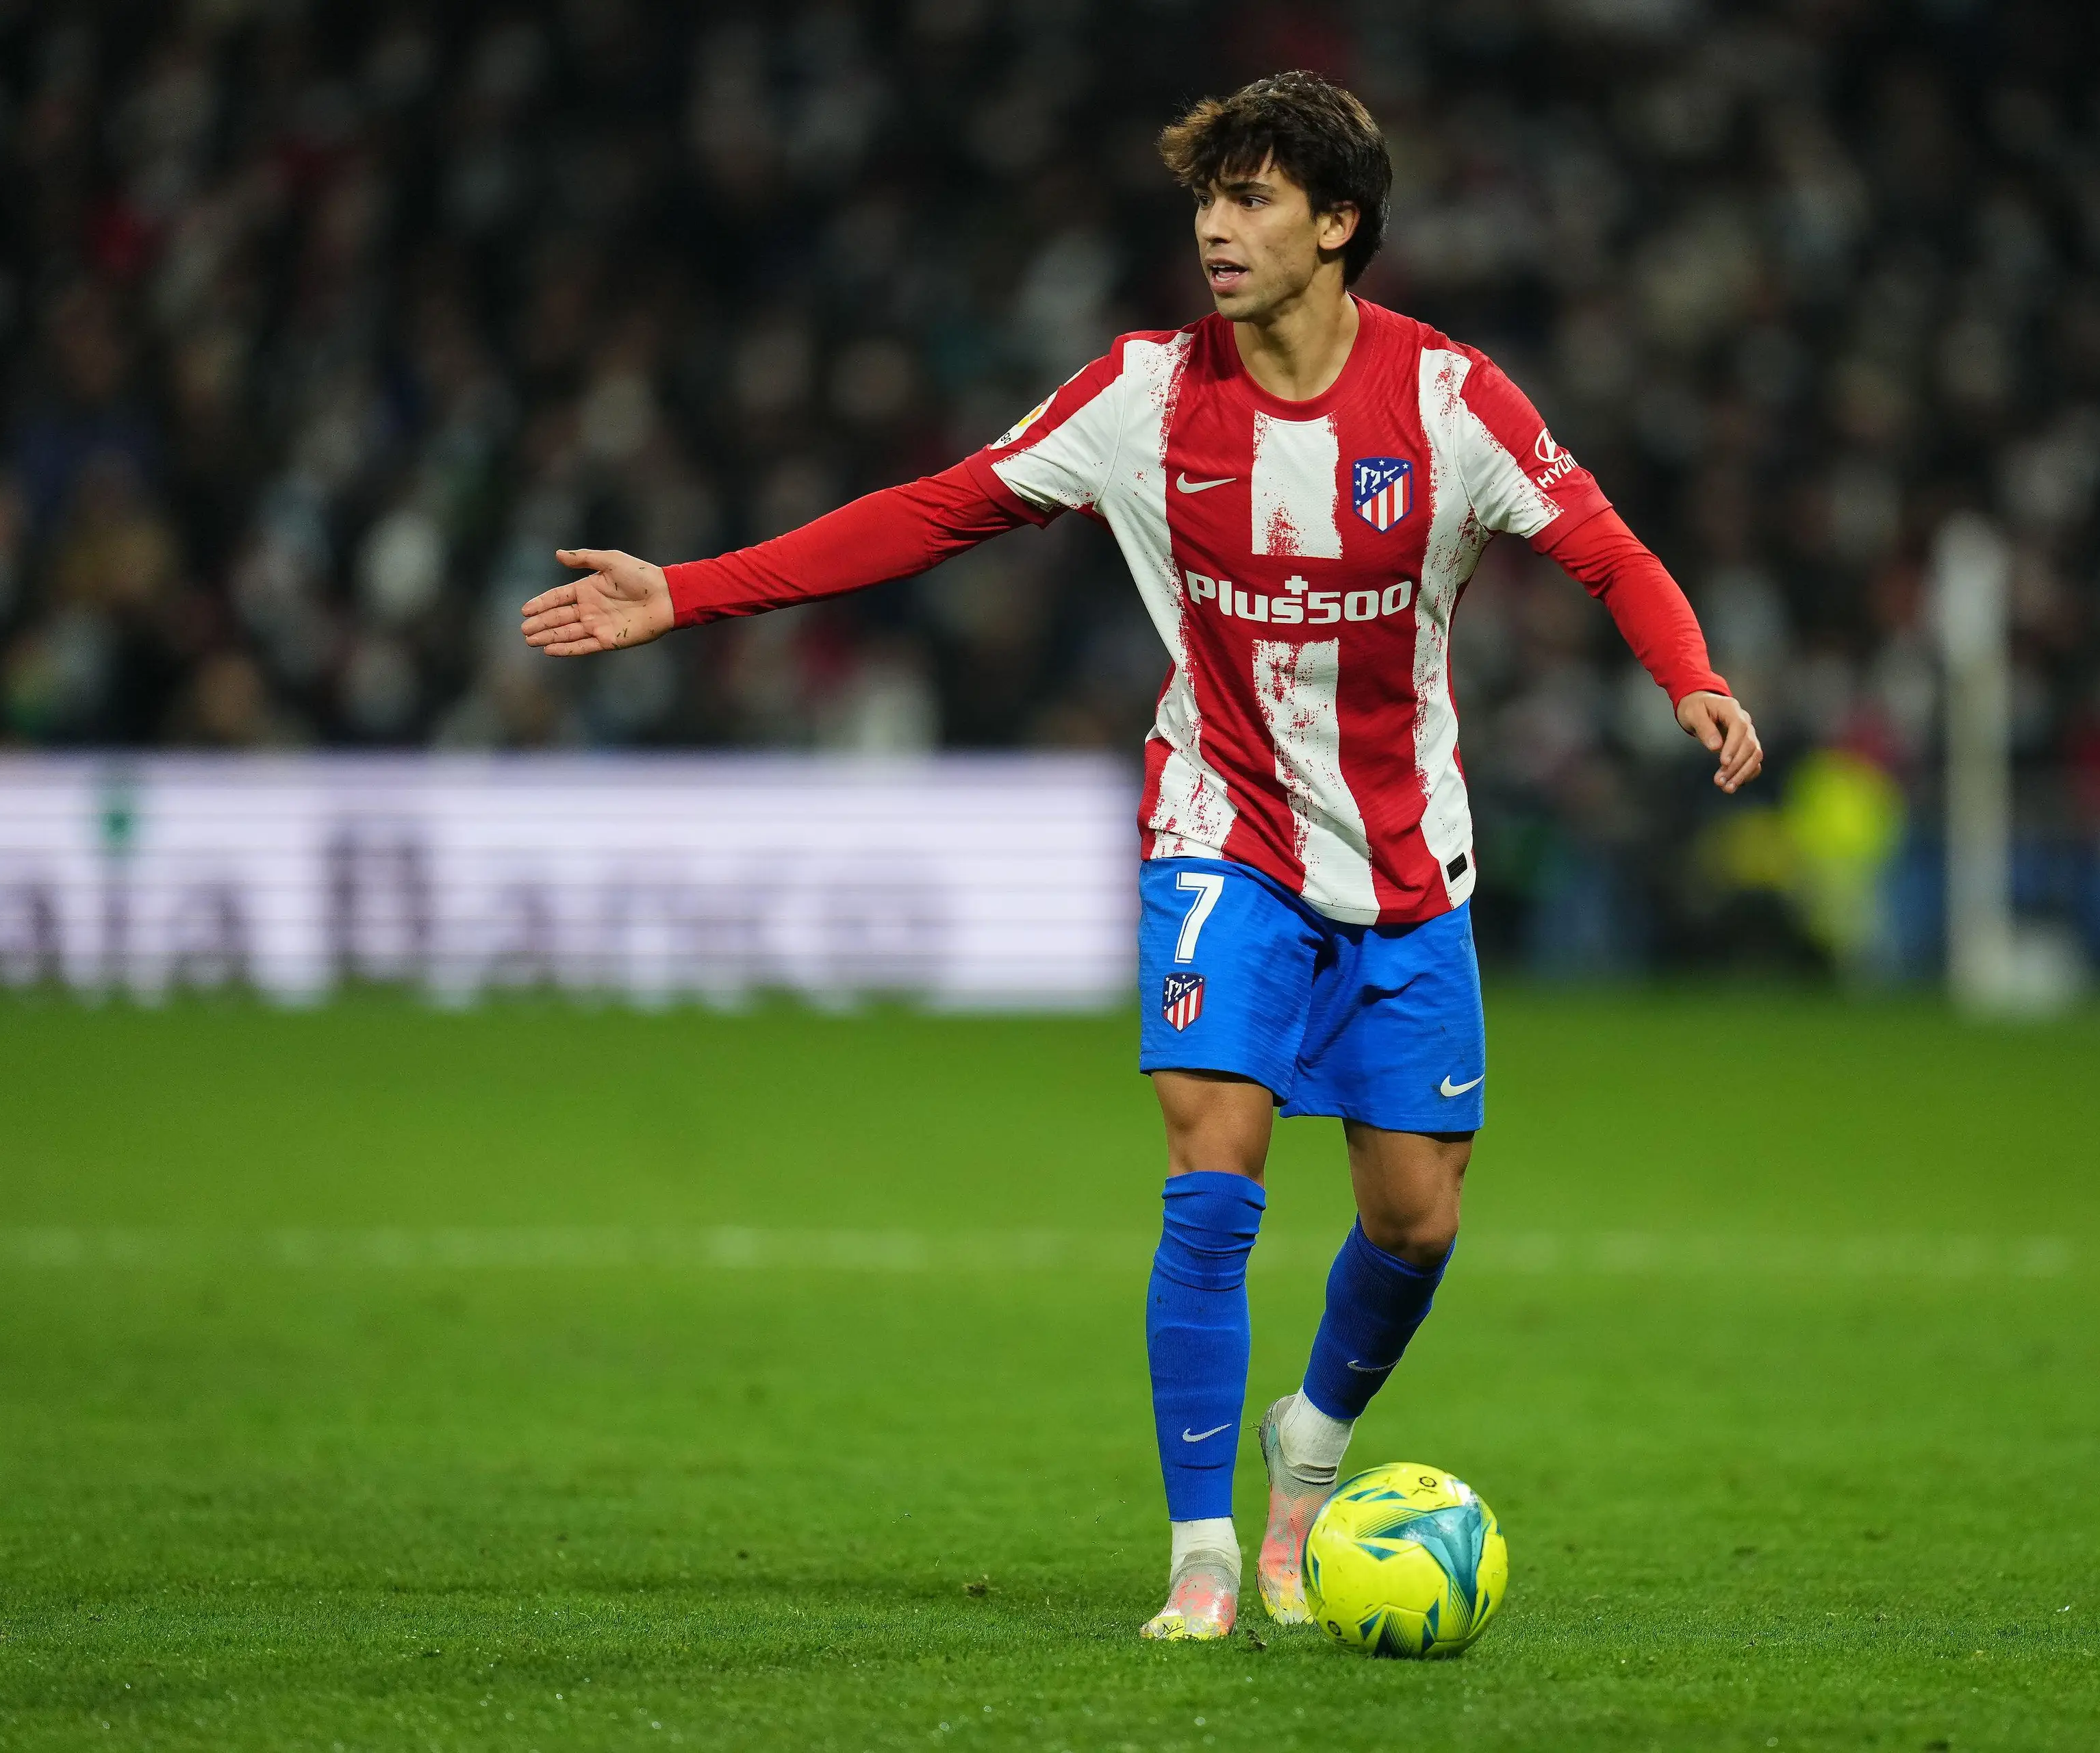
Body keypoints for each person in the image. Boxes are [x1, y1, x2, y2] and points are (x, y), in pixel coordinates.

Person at [520, 71, 1762, 1639]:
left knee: (1414, 1218)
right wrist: (686, 591)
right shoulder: (1144, 395)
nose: (1216, 228)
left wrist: (1693, 672)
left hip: (1403, 862)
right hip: (1217, 832)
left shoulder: (1451, 403)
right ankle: (1204, 1557)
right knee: (1210, 1169)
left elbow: (1604, 546)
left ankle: (1308, 1452)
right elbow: (936, 508)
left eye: (1252, 199)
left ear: (1340, 221)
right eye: (1207, 198)